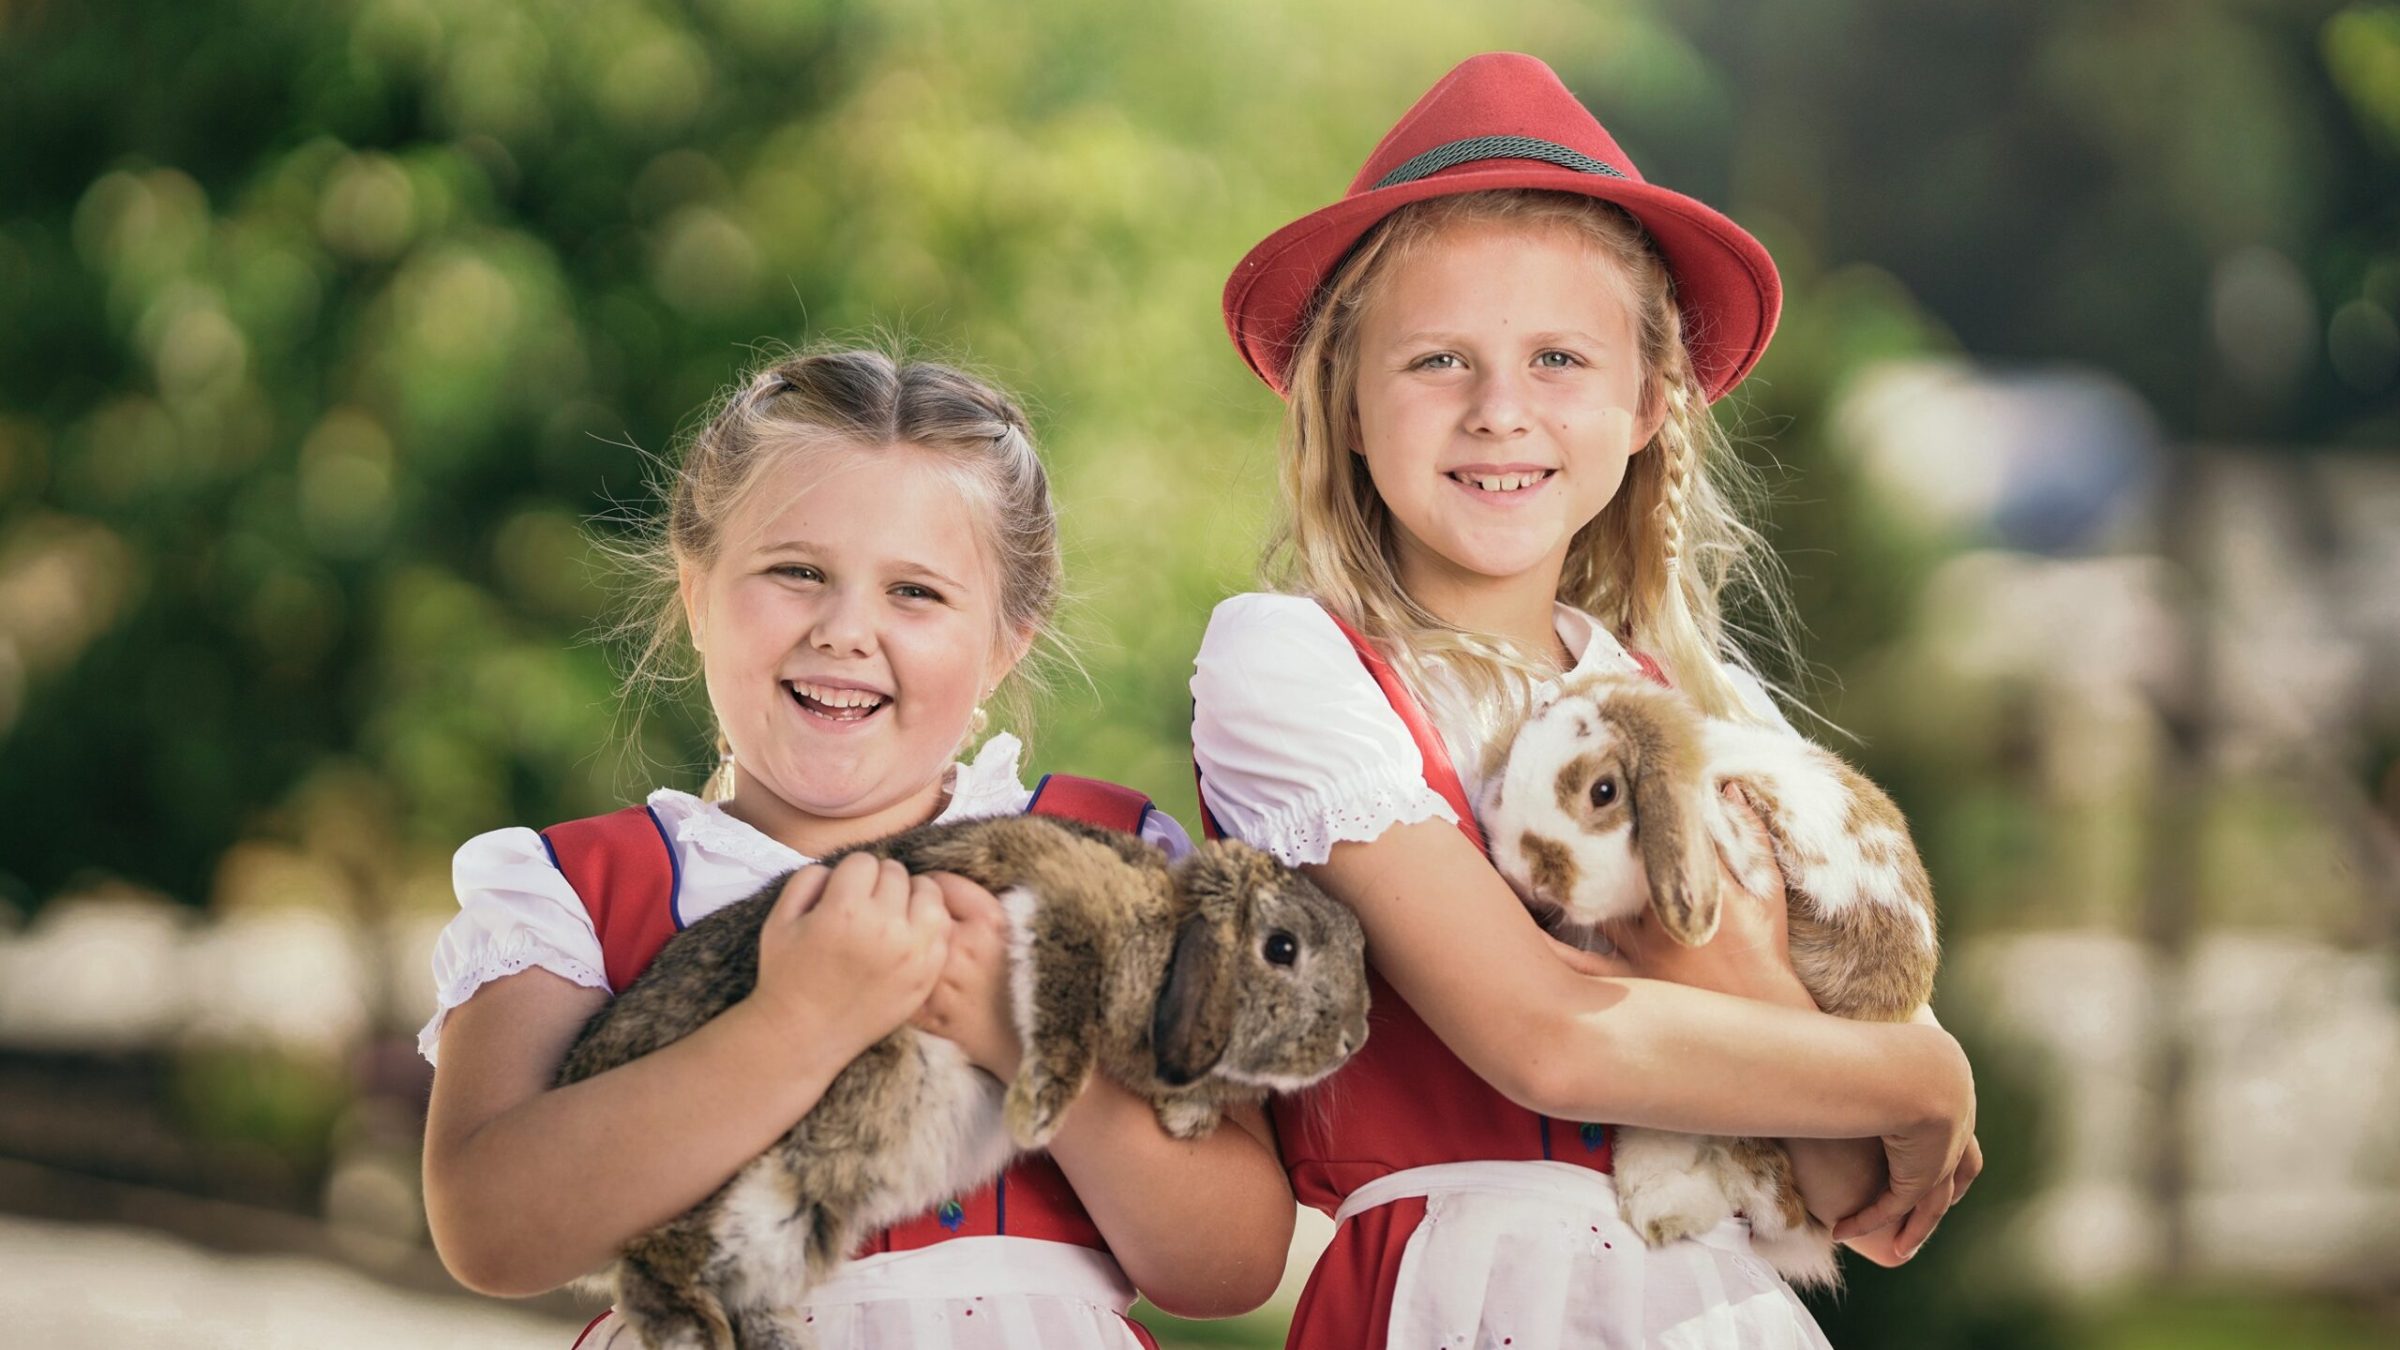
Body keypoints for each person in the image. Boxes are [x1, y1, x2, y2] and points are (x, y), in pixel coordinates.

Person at [1192, 54, 1981, 1348]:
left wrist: (1763, 1005)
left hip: (1720, 1308)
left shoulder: (1711, 707)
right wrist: (1918, 1065)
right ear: (1341, 400)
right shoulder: (1289, 661)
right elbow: (1543, 1041)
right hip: (1459, 1291)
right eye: (1439, 360)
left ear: (1648, 405)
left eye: (1559, 357)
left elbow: (1856, 1188)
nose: (1500, 411)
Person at [420, 349, 1293, 1349]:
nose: (844, 630)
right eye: (797, 572)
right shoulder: (574, 890)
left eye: (914, 593)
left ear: (1005, 642)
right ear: (698, 595)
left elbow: (1233, 1264)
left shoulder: (1113, 856)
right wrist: (796, 1027)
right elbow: (490, 1234)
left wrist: (1024, 1046)